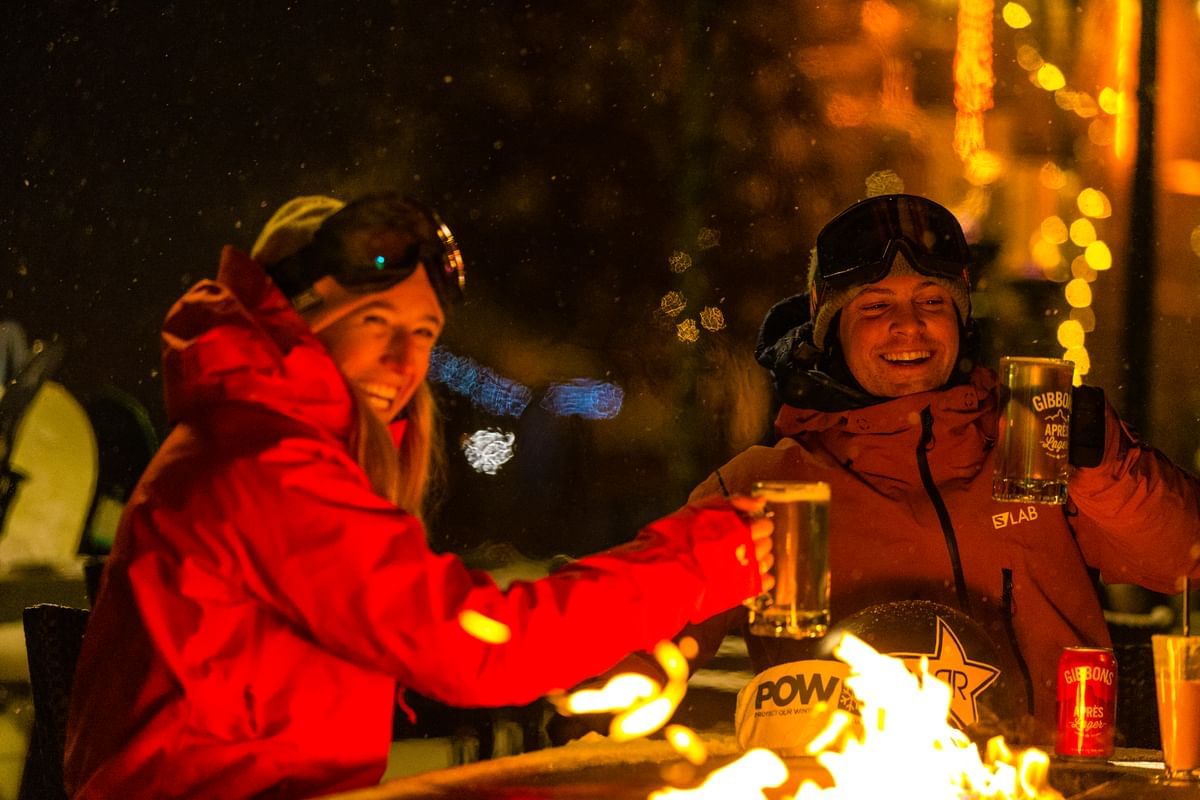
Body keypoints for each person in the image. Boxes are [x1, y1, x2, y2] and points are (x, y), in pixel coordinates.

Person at [64, 191, 774, 799]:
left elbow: (424, 635)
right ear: (292, 323)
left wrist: (586, 654)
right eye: (375, 324)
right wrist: (704, 559)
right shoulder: (266, 463)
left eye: (423, 333)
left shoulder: (266, 445)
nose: (405, 362)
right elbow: (469, 643)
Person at [680, 193, 1200, 741]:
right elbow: (647, 633)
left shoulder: (1033, 443)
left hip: (1044, 779)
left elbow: (1182, 557)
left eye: (931, 301)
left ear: (960, 316)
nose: (909, 326)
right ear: (827, 323)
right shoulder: (771, 485)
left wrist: (1106, 466)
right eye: (876, 305)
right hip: (844, 781)